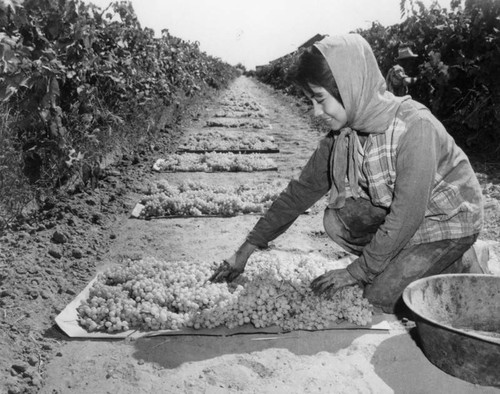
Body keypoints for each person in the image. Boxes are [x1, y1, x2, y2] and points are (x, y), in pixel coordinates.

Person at [209, 34, 484, 314]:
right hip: (410, 221)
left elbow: (406, 216)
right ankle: (409, 260)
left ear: (349, 87)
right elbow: (299, 193)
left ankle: (457, 259)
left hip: (447, 222)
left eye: (320, 99)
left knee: (378, 296)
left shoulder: (414, 127)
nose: (316, 112)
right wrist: (244, 251)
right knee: (337, 219)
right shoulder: (343, 133)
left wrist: (356, 272)